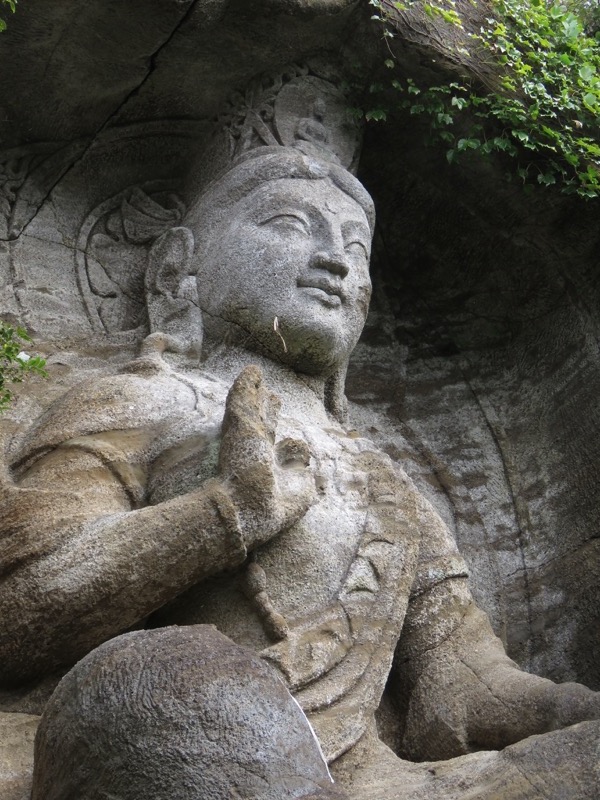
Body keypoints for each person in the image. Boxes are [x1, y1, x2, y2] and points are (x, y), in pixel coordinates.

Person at [2, 83, 600, 798]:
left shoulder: (386, 479)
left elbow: (462, 684)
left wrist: (570, 710)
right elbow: (20, 609)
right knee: (149, 693)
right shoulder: (137, 401)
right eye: (290, 224)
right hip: (184, 750)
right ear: (176, 269)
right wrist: (224, 515)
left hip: (369, 780)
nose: (336, 262)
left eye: (355, 246)